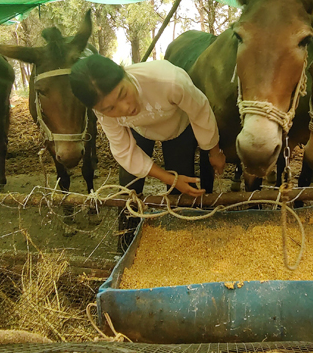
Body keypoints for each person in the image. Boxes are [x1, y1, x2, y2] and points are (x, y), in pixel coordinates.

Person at [69, 54, 225, 251]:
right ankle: (125, 242)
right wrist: (168, 178)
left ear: (125, 72)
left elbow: (200, 112)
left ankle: (183, 242)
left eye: (123, 94)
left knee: (182, 186)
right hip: (139, 129)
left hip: (178, 127)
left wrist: (214, 152)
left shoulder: (169, 81)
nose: (126, 107)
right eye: (110, 108)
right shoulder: (101, 110)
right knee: (129, 187)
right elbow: (124, 150)